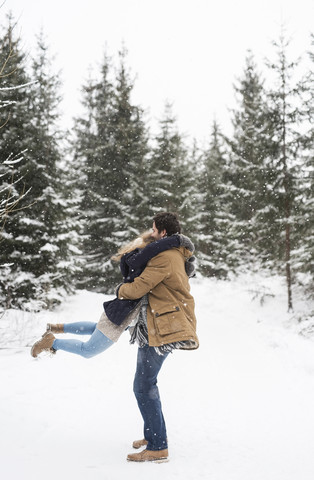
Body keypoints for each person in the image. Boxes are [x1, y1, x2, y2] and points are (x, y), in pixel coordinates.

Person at [30, 229, 194, 359]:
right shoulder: (146, 255)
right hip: (125, 310)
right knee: (88, 350)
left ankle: (55, 328)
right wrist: (179, 241)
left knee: (98, 328)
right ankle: (51, 342)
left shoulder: (147, 255)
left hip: (127, 311)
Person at [117, 212, 199, 463]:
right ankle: (153, 435)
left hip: (164, 326)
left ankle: (158, 445)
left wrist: (120, 289)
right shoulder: (173, 253)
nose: (151, 234)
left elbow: (140, 287)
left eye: (154, 230)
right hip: (163, 321)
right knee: (147, 384)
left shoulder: (164, 256)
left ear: (163, 233)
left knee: (143, 386)